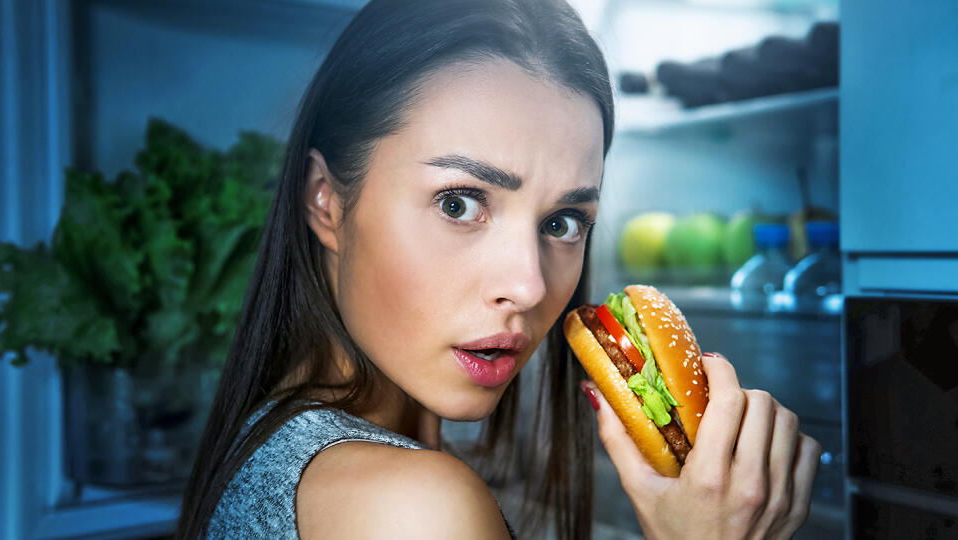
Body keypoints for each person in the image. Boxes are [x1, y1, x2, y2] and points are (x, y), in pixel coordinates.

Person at [175, 0, 822, 538]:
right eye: (460, 203)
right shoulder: (415, 508)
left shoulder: (275, 434)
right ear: (326, 199)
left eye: (564, 222)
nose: (531, 286)